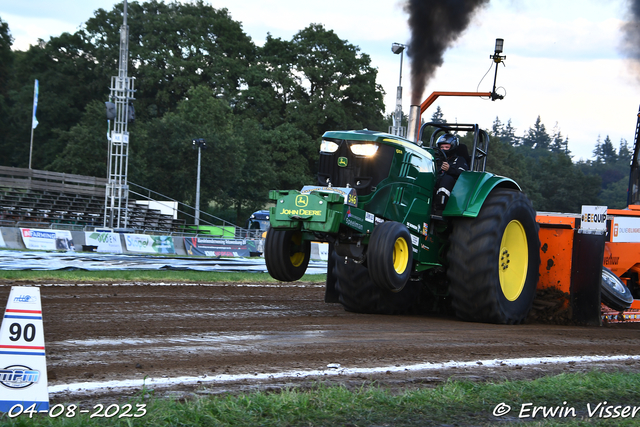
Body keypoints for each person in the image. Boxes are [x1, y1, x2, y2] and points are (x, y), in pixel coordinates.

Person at [434, 133, 469, 212]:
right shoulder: (436, 160)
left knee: (446, 179)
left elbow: (464, 174)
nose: (443, 149)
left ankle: (440, 208)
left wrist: (449, 169)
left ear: (452, 147)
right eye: (441, 147)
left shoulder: (459, 160)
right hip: (436, 182)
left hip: (454, 188)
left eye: (446, 147)